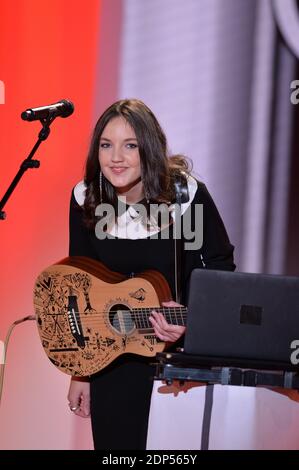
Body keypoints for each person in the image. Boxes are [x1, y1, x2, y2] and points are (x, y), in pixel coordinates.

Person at [67, 98, 235, 450]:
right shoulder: (87, 198)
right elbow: (78, 285)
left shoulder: (186, 195)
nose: (116, 158)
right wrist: (81, 371)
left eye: (130, 146)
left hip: (177, 365)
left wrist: (192, 324)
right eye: (106, 145)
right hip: (111, 365)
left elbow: (220, 271)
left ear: (150, 147)